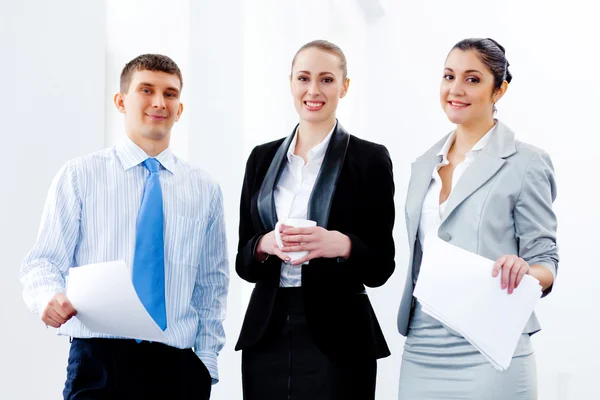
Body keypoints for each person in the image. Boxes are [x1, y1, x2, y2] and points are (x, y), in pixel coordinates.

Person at [20, 54, 229, 400]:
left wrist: (205, 364)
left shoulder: (204, 188)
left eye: (171, 93)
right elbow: (42, 261)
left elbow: (212, 285)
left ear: (180, 108)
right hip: (100, 364)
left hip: (177, 367)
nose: (159, 102)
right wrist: (47, 297)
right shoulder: (80, 176)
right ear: (121, 101)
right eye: (146, 90)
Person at [397, 38, 559, 399]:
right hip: (423, 344)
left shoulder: (526, 162)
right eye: (448, 76)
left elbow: (546, 259)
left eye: (472, 79)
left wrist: (524, 269)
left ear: (498, 90)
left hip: (492, 346)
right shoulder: (423, 164)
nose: (456, 89)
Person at [235, 40, 395, 400]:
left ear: (344, 86)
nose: (313, 90)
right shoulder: (261, 159)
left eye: (326, 79)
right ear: (291, 83)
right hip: (268, 332)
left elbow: (382, 266)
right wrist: (264, 245)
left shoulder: (369, 159)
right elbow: (244, 262)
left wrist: (340, 243)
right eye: (303, 78)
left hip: (339, 335)